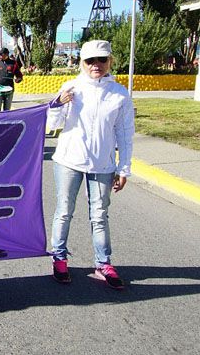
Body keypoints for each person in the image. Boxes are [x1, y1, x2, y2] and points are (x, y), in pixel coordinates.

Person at [46, 40, 135, 290]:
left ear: (110, 61)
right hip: (69, 160)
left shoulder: (119, 94)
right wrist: (57, 104)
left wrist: (124, 167)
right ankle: (59, 258)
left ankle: (103, 263)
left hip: (102, 165)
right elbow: (52, 124)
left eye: (102, 60)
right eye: (90, 61)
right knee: (64, 210)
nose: (96, 65)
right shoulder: (72, 87)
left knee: (99, 215)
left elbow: (125, 133)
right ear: (82, 62)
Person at [0, 48, 24, 112]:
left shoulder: (13, 63)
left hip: (9, 90)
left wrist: (18, 79)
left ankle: (5, 121)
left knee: (7, 110)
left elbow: (19, 75)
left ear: (7, 54)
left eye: (2, 54)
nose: (0, 56)